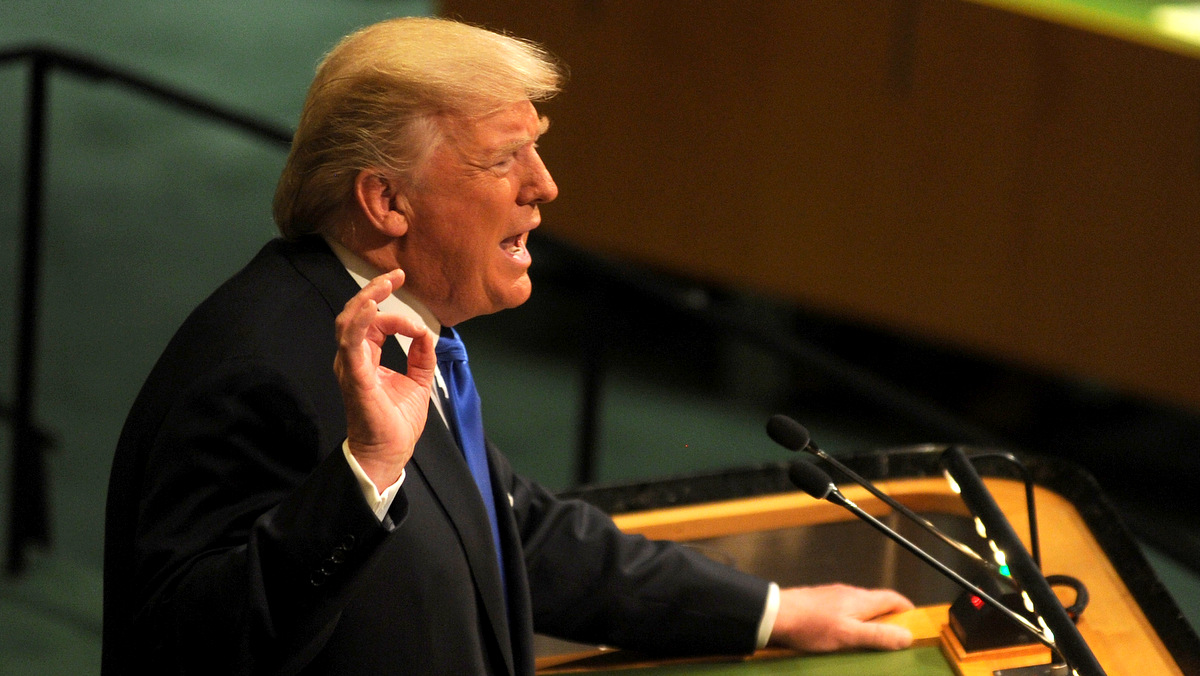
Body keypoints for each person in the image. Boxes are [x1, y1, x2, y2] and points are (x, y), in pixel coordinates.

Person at [102, 16, 914, 675]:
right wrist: (363, 480)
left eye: (537, 144)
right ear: (386, 200)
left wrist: (772, 611)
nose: (545, 184)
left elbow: (509, 528)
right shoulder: (261, 368)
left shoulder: (400, 324)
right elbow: (189, 649)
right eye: (502, 158)